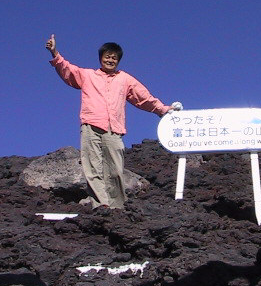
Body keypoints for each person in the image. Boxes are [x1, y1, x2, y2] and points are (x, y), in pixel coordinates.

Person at [46, 34, 180, 209]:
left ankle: (117, 208)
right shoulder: (88, 75)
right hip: (91, 126)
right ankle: (101, 206)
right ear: (100, 58)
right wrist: (55, 53)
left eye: (114, 58)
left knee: (115, 170)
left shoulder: (125, 79)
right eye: (107, 56)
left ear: (118, 61)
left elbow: (143, 97)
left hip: (114, 129)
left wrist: (162, 109)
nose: (110, 60)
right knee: (93, 168)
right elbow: (68, 70)